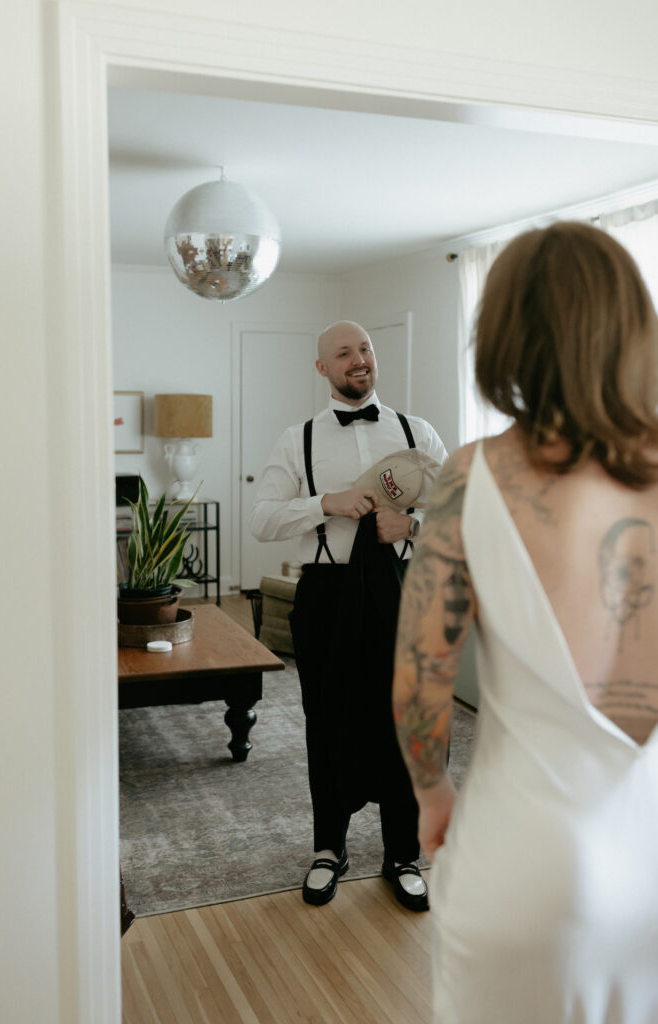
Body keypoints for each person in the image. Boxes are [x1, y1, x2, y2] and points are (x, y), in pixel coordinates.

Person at [393, 221, 658, 1021]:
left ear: (504, 335)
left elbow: (420, 678)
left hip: (521, 865)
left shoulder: (471, 475)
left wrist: (431, 793)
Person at [250, 320, 448, 910]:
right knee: (329, 719)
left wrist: (412, 524)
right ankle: (328, 849)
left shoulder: (418, 432)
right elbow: (262, 520)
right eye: (343, 353)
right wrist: (324, 504)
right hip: (328, 598)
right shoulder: (298, 440)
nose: (357, 360)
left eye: (364, 349)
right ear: (323, 369)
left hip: (406, 593)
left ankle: (403, 856)